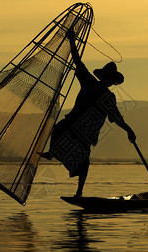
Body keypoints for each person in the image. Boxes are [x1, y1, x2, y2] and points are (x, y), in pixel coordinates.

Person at [42, 29, 136, 197]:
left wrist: (129, 130)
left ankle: (79, 192)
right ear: (106, 78)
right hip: (73, 124)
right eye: (109, 78)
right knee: (58, 129)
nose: (110, 81)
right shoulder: (90, 83)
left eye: (111, 79)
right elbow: (77, 61)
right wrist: (72, 41)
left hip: (85, 133)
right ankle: (53, 152)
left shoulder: (108, 97)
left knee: (84, 162)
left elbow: (116, 118)